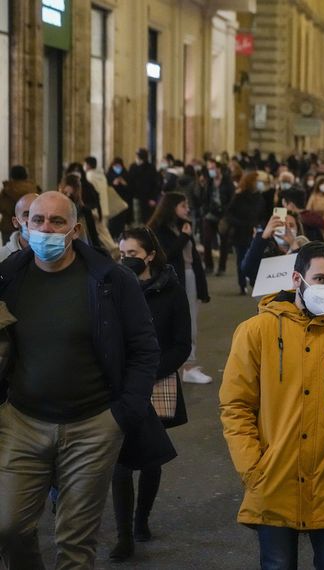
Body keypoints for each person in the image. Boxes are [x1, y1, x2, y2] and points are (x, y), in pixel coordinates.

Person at [0, 191, 162, 569]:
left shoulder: (111, 279)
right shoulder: (8, 277)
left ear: (75, 229)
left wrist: (124, 413)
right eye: (37, 220)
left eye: (57, 222)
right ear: (24, 224)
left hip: (92, 425)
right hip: (22, 421)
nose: (46, 229)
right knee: (9, 527)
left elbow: (144, 347)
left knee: (75, 543)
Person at [219, 242, 324, 570]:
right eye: (321, 279)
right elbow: (236, 406)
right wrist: (253, 468)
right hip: (274, 481)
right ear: (297, 278)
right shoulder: (255, 332)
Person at [110, 226, 191, 561]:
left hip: (156, 381)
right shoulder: (112, 286)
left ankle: (142, 519)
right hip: (121, 385)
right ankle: (124, 534)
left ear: (150, 255)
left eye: (133, 254)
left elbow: (182, 344)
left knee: (152, 459)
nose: (126, 260)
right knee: (120, 462)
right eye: (122, 254)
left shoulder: (171, 290)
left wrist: (149, 372)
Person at [148, 192, 212, 384]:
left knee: (190, 321)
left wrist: (203, 289)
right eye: (183, 205)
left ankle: (188, 364)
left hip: (189, 276)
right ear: (172, 207)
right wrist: (184, 237)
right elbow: (164, 256)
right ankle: (185, 366)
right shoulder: (159, 229)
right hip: (173, 279)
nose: (187, 209)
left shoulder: (182, 227)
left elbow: (194, 259)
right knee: (181, 322)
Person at [241, 209, 308, 287]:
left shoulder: (305, 248)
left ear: (298, 230)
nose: (287, 229)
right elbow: (247, 269)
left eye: (291, 225)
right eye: (281, 225)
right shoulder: (265, 250)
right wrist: (263, 237)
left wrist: (294, 245)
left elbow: (306, 274)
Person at [224, 172, 265, 294]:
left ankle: (253, 282)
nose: (259, 183)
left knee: (256, 257)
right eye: (256, 181)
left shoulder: (259, 197)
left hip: (255, 232)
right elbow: (229, 214)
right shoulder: (239, 196)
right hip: (240, 232)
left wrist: (259, 225)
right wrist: (242, 224)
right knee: (241, 259)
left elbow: (263, 214)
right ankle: (242, 284)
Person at [58, 174, 107, 253]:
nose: (67, 198)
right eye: (65, 193)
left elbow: (93, 237)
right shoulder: (55, 210)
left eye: (71, 196)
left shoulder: (84, 212)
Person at [0, 165, 39, 242]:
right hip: (30, 225)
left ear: (11, 175)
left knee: (9, 251)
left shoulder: (6, 190)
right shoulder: (34, 189)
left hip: (9, 226)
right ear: (25, 175)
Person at [127, 148, 162, 224]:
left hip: (148, 198)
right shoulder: (133, 167)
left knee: (147, 219)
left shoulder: (150, 168)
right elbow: (130, 182)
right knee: (137, 218)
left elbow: (155, 184)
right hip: (136, 196)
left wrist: (153, 198)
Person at [0, 193, 37, 262]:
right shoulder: (2, 257)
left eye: (38, 214)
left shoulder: (55, 255)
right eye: (27, 215)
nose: (34, 220)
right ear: (15, 222)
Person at [107, 157, 133, 238]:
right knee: (112, 221)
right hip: (113, 201)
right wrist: (113, 183)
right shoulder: (109, 174)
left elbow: (131, 188)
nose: (117, 168)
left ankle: (120, 236)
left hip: (123, 202)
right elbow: (107, 187)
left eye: (119, 166)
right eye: (116, 166)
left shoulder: (126, 174)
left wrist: (124, 183)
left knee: (121, 221)